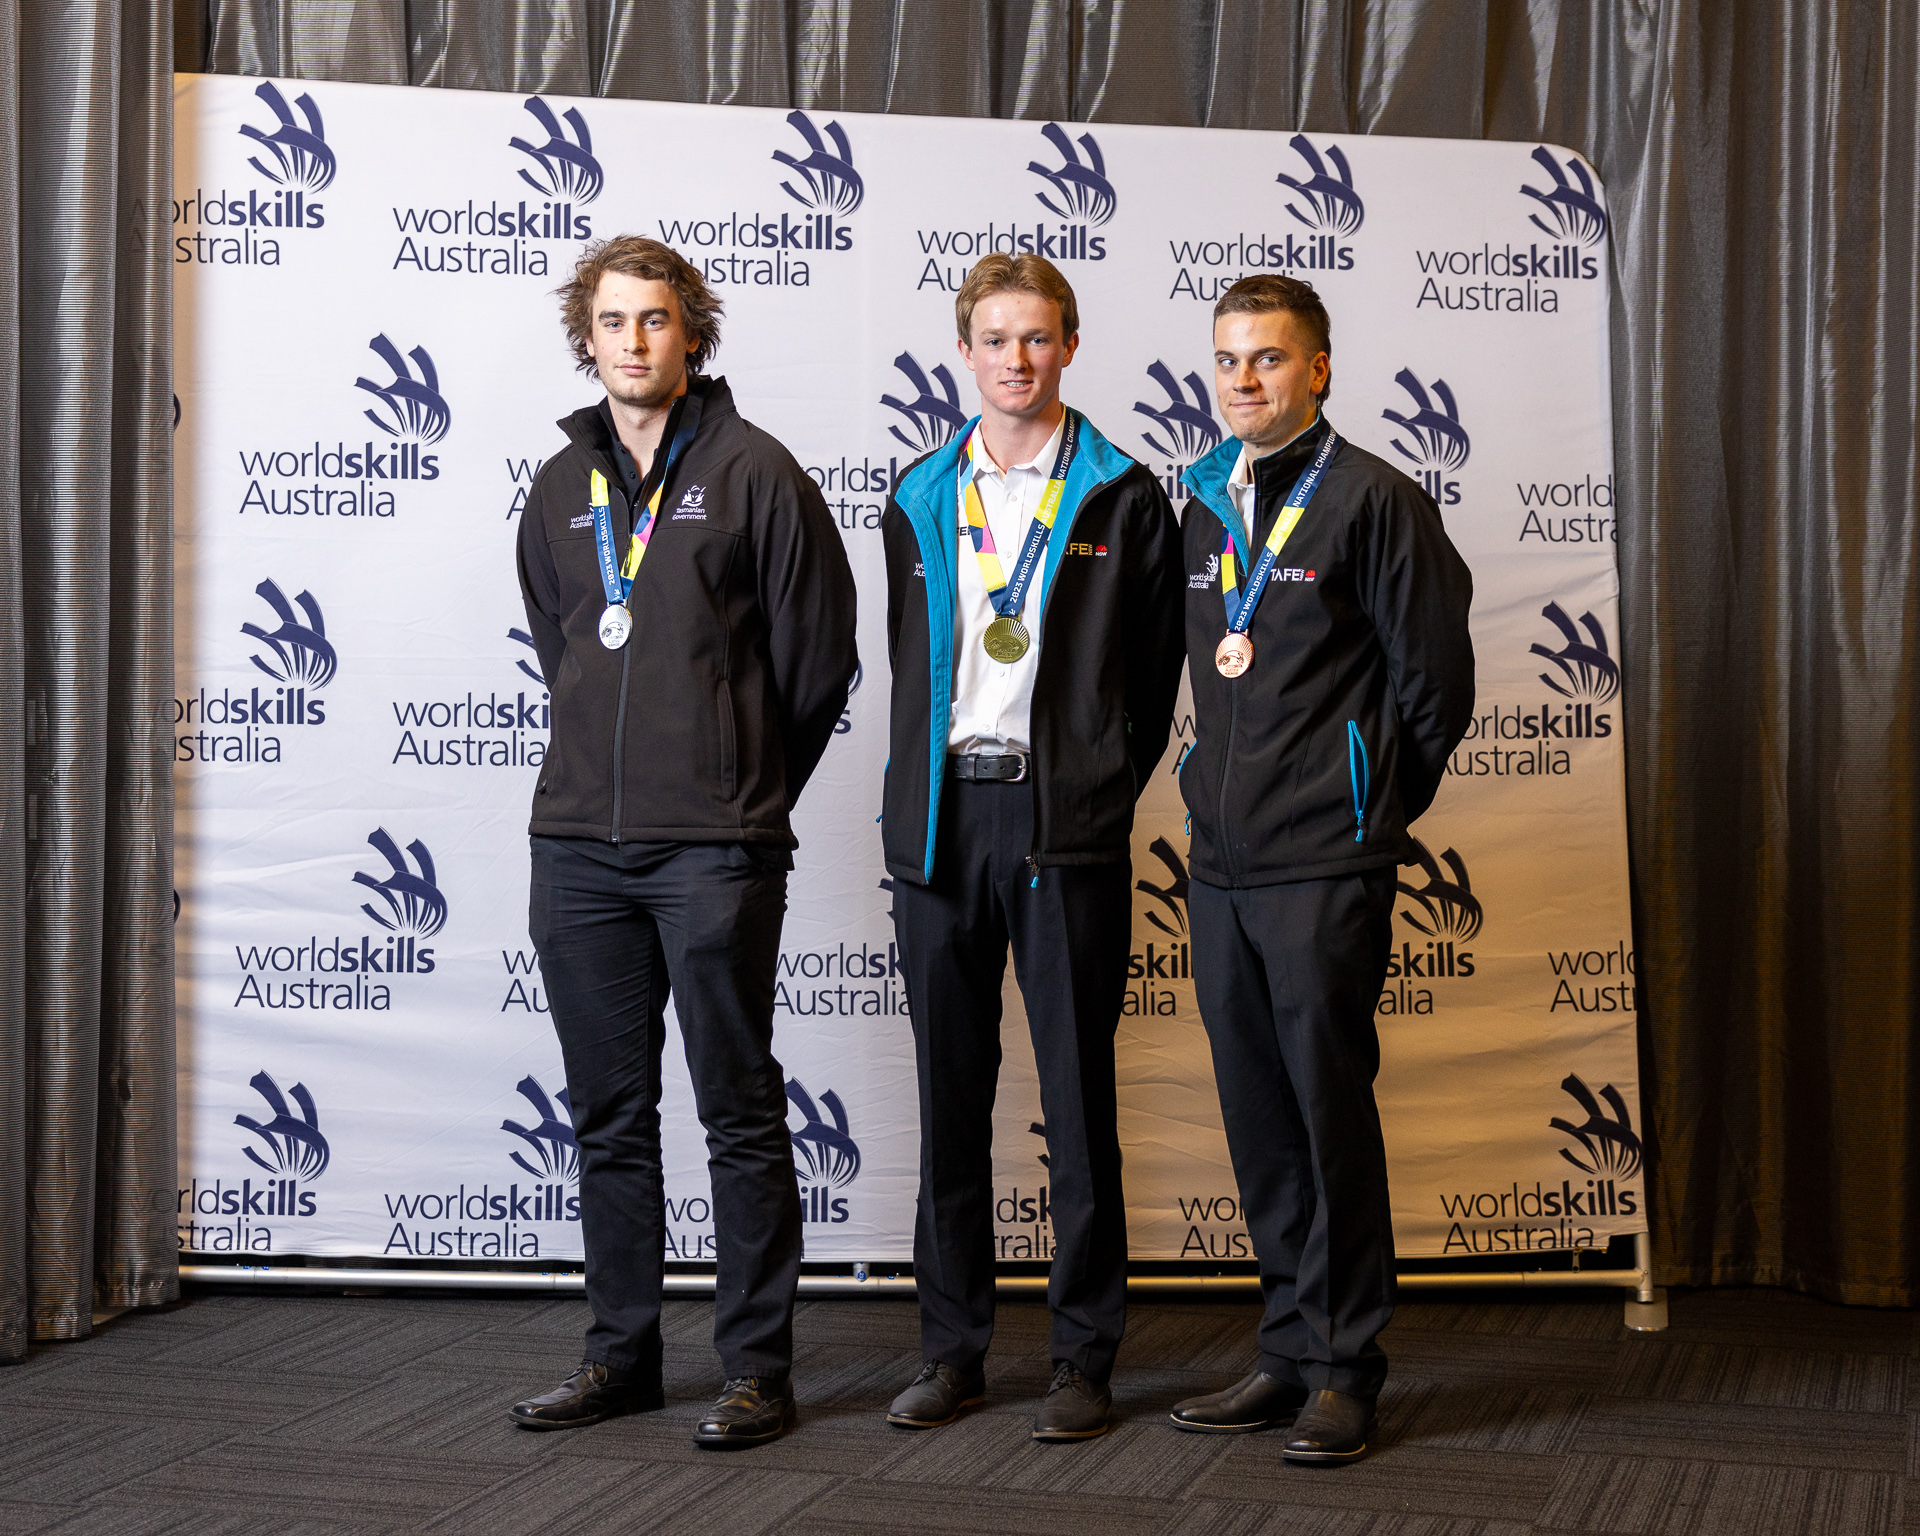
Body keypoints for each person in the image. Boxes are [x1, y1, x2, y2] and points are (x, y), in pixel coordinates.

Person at [508, 235, 858, 1447]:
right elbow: (565, 638)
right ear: (587, 338)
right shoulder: (559, 489)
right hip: (578, 853)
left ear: (691, 336)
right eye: (612, 322)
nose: (634, 342)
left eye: (656, 320)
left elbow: (819, 666)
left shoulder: (758, 473)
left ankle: (756, 1368)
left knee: (738, 1110)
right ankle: (621, 1358)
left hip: (713, 851)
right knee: (608, 1116)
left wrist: (738, 787)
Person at [878, 254, 1185, 1441]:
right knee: (951, 1102)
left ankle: (1082, 1359)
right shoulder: (916, 493)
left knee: (1075, 1095)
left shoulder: (1122, 495)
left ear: (1068, 347)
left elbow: (1154, 679)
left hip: (1064, 827)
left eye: (1038, 338)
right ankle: (952, 1350)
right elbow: (917, 667)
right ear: (967, 352)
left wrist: (1099, 783)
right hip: (946, 824)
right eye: (996, 339)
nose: (1017, 359)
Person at [1168, 275, 1474, 1462]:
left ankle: (1349, 1368)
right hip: (1224, 863)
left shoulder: (1375, 501)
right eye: (1228, 360)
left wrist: (1366, 813)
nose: (1244, 380)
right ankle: (1288, 1350)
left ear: (1321, 369)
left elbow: (1435, 688)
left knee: (1325, 1110)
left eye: (1270, 360)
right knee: (1258, 1116)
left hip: (1324, 865)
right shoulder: (1202, 502)